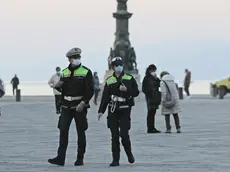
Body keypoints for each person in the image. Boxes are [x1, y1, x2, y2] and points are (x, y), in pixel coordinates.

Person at [48, 47, 94, 166]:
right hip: (66, 106)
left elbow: (90, 90)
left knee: (81, 132)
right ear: (69, 59)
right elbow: (63, 89)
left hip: (79, 106)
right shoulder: (65, 72)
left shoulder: (86, 72)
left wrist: (83, 103)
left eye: (78, 57)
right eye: (74, 57)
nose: (76, 59)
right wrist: (57, 86)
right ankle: (60, 158)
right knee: (63, 131)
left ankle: (80, 158)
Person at [98, 57, 139, 167]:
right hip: (113, 109)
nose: (118, 67)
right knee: (114, 136)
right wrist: (101, 111)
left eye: (120, 65)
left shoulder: (129, 78)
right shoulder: (110, 80)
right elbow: (105, 97)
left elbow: (136, 92)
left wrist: (127, 90)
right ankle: (115, 159)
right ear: (113, 67)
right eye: (116, 65)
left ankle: (129, 154)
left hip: (125, 109)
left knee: (124, 135)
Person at [142, 64, 161, 133]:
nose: (154, 72)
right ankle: (150, 128)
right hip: (150, 98)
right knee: (150, 112)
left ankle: (153, 127)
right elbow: (144, 88)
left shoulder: (154, 78)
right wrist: (149, 94)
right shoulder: (146, 78)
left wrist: (156, 79)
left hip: (155, 97)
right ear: (150, 70)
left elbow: (160, 84)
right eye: (153, 70)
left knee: (153, 112)